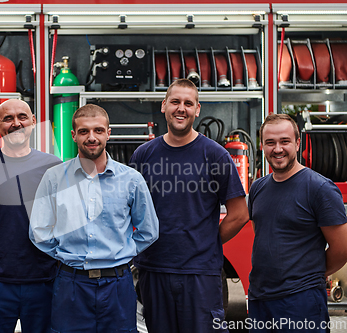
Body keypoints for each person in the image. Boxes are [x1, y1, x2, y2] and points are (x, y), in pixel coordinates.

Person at [129, 78, 249, 333]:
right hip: (154, 270)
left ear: (197, 109)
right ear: (164, 106)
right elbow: (131, 210)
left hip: (200, 274)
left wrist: (206, 241)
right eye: (175, 102)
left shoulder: (215, 155)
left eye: (188, 103)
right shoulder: (143, 155)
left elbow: (239, 214)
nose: (180, 108)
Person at [29, 104, 159, 333]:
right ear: (74, 135)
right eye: (84, 131)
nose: (91, 137)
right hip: (71, 285)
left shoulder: (131, 180)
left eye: (98, 130)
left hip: (117, 286)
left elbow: (149, 231)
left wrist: (121, 251)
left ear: (108, 133)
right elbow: (39, 231)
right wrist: (65, 254)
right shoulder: (54, 178)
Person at [0, 99, 61, 333]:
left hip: (44, 282)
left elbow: (63, 224)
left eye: (22, 117)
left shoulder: (53, 167)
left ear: (34, 122)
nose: (16, 123)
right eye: (8, 119)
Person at [247, 114, 347, 332]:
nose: (278, 149)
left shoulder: (320, 189)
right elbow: (262, 234)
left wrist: (309, 274)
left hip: (301, 302)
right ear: (262, 145)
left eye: (285, 141)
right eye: (270, 143)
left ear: (298, 143)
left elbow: (342, 248)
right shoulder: (258, 188)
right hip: (259, 299)